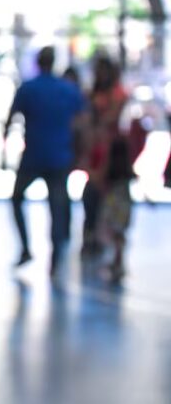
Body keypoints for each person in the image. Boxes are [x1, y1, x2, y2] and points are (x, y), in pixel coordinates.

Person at [4, 46, 86, 274]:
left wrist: (3, 153)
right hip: (58, 157)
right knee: (57, 208)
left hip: (35, 156)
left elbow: (10, 120)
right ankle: (55, 257)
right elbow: (83, 123)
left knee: (18, 199)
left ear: (39, 62)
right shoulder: (67, 90)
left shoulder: (29, 89)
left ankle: (26, 248)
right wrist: (80, 153)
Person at [81, 55, 128, 257]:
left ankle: (112, 246)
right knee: (90, 196)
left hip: (113, 156)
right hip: (96, 150)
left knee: (114, 202)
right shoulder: (92, 94)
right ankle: (90, 236)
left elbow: (112, 118)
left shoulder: (118, 94)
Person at [100, 136, 134, 281]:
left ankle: (115, 261)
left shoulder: (110, 168)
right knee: (119, 235)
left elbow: (103, 182)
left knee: (113, 234)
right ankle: (117, 260)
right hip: (123, 206)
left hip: (113, 206)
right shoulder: (126, 169)